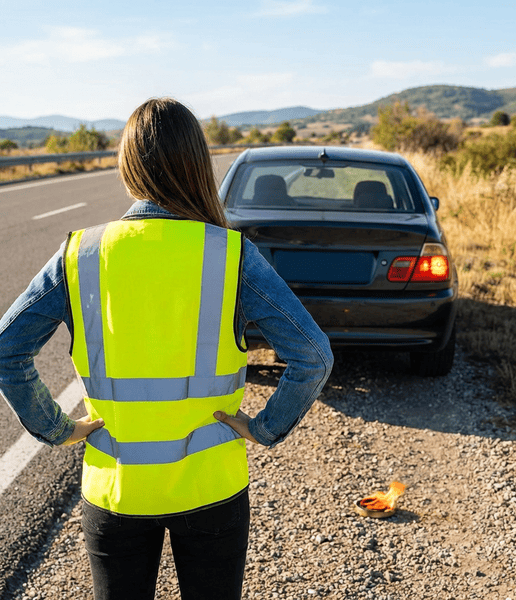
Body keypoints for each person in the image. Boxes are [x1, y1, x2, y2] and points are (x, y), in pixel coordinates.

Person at [0, 97, 334, 600]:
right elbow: (313, 355)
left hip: (116, 489)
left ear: (128, 166)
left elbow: (8, 349)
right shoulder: (231, 254)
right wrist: (264, 427)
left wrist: (57, 428)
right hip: (212, 487)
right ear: (198, 165)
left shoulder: (82, 253)